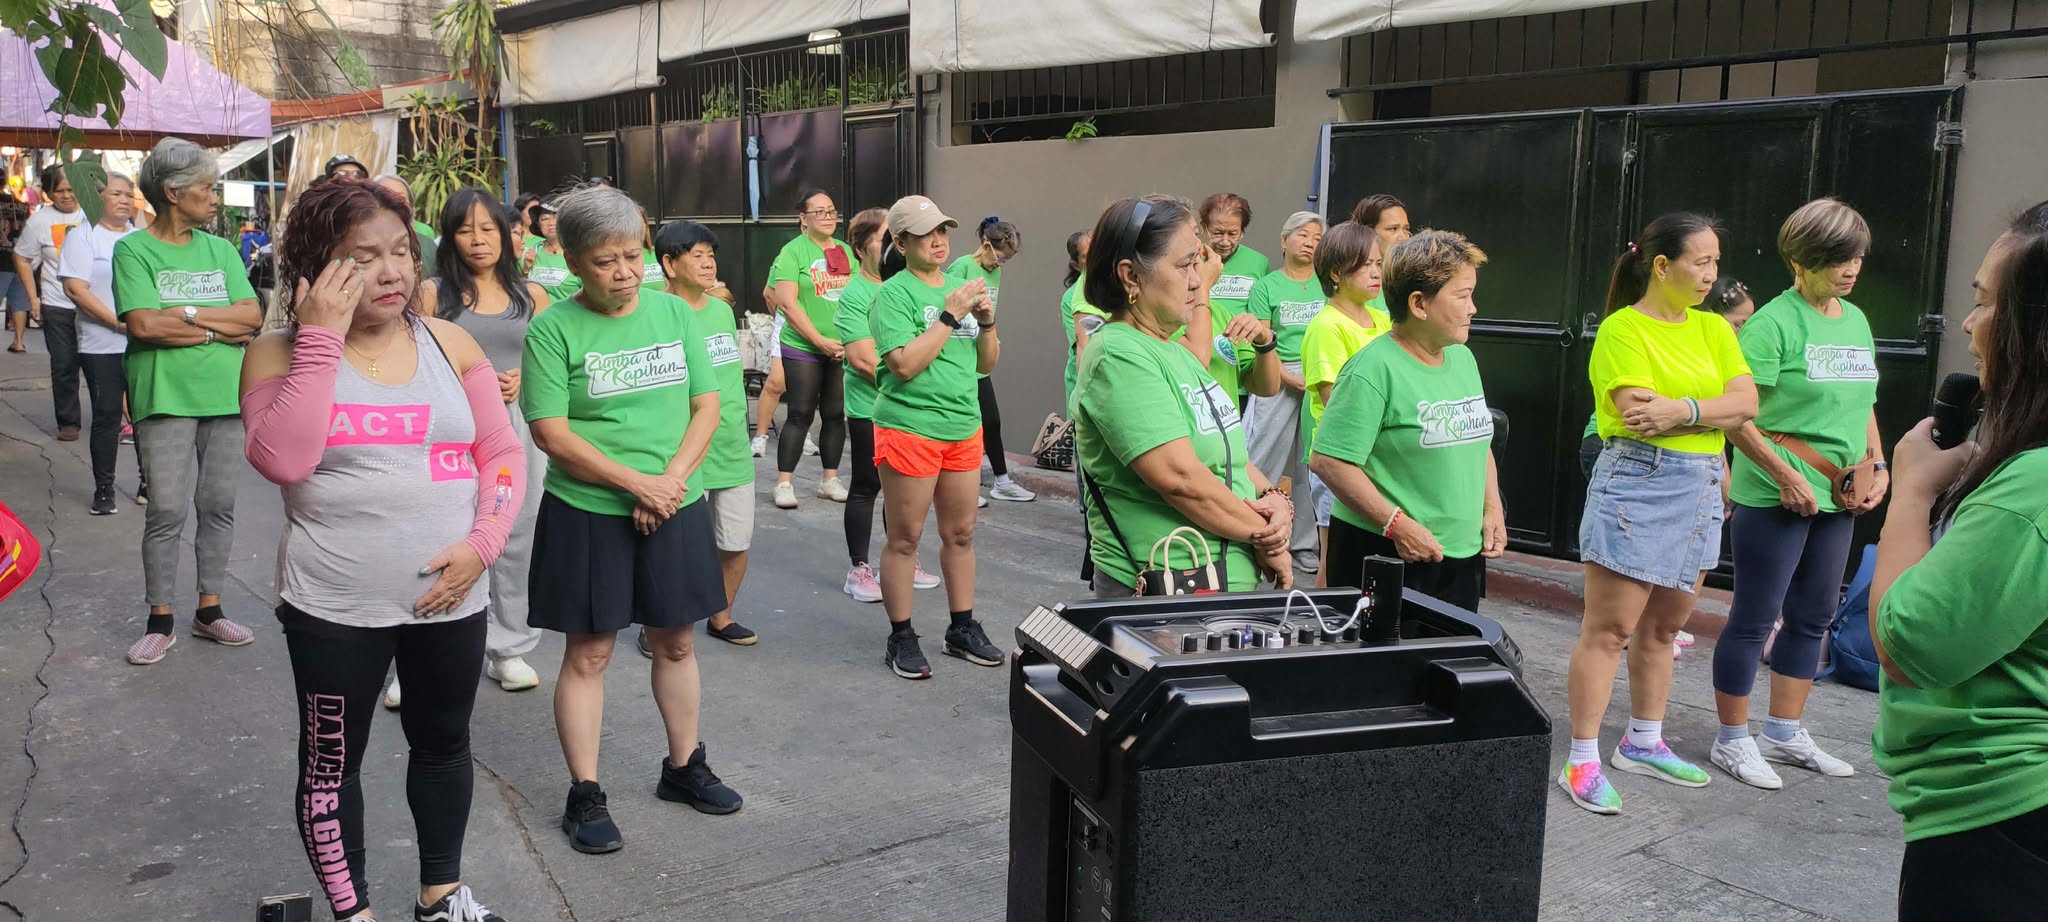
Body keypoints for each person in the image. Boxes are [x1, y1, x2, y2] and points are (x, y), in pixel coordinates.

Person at [241, 177, 521, 922]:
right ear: (315, 267)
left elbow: (501, 455)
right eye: (362, 257)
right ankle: (351, 910)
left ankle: (440, 895)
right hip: (335, 604)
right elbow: (284, 461)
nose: (393, 271)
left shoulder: (449, 341)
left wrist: (482, 544)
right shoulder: (278, 356)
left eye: (401, 251)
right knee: (333, 766)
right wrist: (322, 340)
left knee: (443, 744)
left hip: (453, 595)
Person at [519, 184, 742, 855]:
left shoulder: (674, 316)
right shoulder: (553, 328)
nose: (621, 272)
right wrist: (634, 484)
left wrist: (668, 484)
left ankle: (683, 767)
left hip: (672, 501)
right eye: (603, 260)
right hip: (588, 509)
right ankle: (584, 794)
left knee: (676, 640)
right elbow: (551, 432)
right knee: (589, 653)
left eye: (630, 256)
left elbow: (707, 406)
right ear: (573, 260)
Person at [1871, 201, 2048, 922]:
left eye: (1985, 304)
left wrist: (1911, 491)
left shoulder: (2031, 492)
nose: (1971, 327)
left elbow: (1909, 643)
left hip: (1999, 817)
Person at [1560, 213, 1757, 816]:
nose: (1710, 274)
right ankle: (1582, 758)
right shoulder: (1623, 329)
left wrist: (1687, 409)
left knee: (1667, 629)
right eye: (1700, 262)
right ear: (1662, 266)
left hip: (1699, 481)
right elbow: (1639, 411)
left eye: (1716, 262)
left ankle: (1644, 741)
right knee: (1611, 629)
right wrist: (1704, 411)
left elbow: (1745, 402)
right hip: (1639, 479)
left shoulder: (1713, 330)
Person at [1709, 200, 1886, 789]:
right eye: (1836, 258)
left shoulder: (1855, 319)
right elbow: (1737, 419)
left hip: (1840, 497)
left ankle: (1783, 731)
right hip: (1775, 498)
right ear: (1798, 260)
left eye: (1856, 256)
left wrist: (1877, 464)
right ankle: (1731, 740)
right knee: (1753, 619)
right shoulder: (1771, 325)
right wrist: (1785, 477)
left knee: (1813, 617)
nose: (1850, 268)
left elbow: (1864, 402)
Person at [378, 188, 552, 710]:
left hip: (516, 430)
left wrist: (525, 378)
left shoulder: (534, 296)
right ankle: (414, 656)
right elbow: (403, 363)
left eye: (489, 228)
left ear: (507, 233)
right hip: (450, 431)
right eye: (465, 229)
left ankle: (508, 648)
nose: (478, 240)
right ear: (448, 237)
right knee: (439, 534)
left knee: (516, 535)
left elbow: (551, 364)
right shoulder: (431, 294)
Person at [1073, 194, 1295, 598]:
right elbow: (1180, 479)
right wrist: (1266, 535)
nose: (1198, 280)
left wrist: (1275, 500)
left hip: (1217, 584)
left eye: (1197, 263)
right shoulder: (1118, 353)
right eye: (1184, 265)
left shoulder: (1176, 352)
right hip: (1164, 588)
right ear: (1130, 276)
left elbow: (1229, 459)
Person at [115, 137, 265, 666]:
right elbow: (142, 324)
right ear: (175, 193)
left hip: (226, 396)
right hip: (164, 396)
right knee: (167, 509)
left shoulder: (221, 249)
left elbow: (251, 317)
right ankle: (160, 618)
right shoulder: (132, 249)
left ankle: (208, 609)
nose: (214, 197)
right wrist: (213, 329)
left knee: (218, 505)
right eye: (207, 187)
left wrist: (187, 317)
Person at [1310, 231, 1503, 610]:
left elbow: (1476, 442)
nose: (1473, 308)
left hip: (1459, 557)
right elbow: (1329, 461)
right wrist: (1396, 524)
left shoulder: (1462, 358)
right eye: (1462, 296)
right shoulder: (1372, 369)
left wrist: (1492, 508)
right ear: (1419, 304)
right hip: (1387, 555)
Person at [868, 194, 1007, 680]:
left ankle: (961, 628)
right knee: (905, 538)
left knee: (961, 534)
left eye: (943, 232)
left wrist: (985, 321)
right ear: (901, 243)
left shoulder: (960, 289)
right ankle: (901, 635)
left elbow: (985, 365)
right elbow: (902, 365)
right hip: (909, 426)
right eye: (926, 234)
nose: (938, 241)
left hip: (962, 425)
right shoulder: (894, 294)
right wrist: (949, 316)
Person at [639, 218, 759, 652]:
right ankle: (659, 621)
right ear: (669, 264)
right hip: (680, 448)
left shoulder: (722, 310)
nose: (708, 263)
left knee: (736, 540)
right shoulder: (651, 312)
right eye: (697, 255)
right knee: (675, 547)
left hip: (730, 443)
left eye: (711, 255)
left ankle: (721, 615)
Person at [836, 208, 943, 603]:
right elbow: (865, 359)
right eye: (883, 238)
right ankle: (859, 568)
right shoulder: (855, 294)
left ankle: (901, 559)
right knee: (866, 485)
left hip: (909, 409)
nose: (889, 246)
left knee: (898, 493)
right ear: (862, 246)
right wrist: (908, 371)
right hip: (870, 406)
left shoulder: (907, 286)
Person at [1579, 275, 1757, 481]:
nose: (1744, 332)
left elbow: (1744, 408)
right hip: (1614, 446)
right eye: (1738, 324)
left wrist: (1684, 414)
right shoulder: (1625, 329)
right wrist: (1717, 418)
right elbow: (1646, 420)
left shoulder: (1719, 338)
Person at [1297, 222, 1390, 587]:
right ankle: (1324, 633)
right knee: (1334, 558)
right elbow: (1333, 400)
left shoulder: (1382, 319)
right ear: (1337, 272)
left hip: (1375, 456)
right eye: (1365, 264)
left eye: (1379, 264)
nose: (1376, 272)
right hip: (1341, 458)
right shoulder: (1327, 326)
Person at [1245, 211, 1327, 574]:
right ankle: (1251, 530)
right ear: (1284, 241)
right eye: (1303, 236)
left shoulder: (1328, 284)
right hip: (1278, 375)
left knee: (1309, 463)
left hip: (1320, 373)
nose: (1311, 243)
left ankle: (1304, 543)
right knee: (1262, 456)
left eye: (1317, 238)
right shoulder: (1267, 286)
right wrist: (1288, 376)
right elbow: (1262, 339)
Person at [57, 171, 143, 515]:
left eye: (129, 194)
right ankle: (104, 489)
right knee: (107, 415)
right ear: (98, 198)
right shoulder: (83, 237)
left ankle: (148, 482)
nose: (124, 200)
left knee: (146, 416)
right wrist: (118, 324)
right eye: (116, 193)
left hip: (143, 342)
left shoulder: (141, 239)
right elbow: (76, 290)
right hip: (101, 344)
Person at [767, 188, 856, 509]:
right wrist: (819, 341)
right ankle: (784, 483)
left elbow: (857, 297)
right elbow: (786, 303)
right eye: (819, 211)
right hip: (802, 346)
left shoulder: (845, 250)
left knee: (834, 414)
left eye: (831, 210)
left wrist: (850, 341)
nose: (828, 217)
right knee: (800, 413)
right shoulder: (792, 252)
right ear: (803, 218)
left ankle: (829, 479)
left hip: (841, 347)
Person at [947, 217, 1035, 504]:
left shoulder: (994, 272)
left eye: (1006, 261)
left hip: (980, 356)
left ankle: (1002, 482)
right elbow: (950, 312)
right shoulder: (962, 267)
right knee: (966, 423)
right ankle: (963, 488)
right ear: (985, 245)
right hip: (960, 357)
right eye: (999, 257)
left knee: (991, 421)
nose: (1000, 265)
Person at [1187, 193, 1280, 403]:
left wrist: (1263, 340)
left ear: (1242, 233)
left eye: (1233, 233)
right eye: (1217, 233)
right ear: (1204, 228)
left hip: (1236, 358)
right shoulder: (1191, 262)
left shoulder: (1258, 263)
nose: (1225, 241)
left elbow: (1268, 386)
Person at [17, 167, 87, 439]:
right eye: (60, 191)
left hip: (95, 303)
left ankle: (112, 417)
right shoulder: (39, 222)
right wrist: (33, 298)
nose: (67, 196)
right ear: (48, 194)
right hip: (57, 303)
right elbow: (22, 258)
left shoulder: (94, 214)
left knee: (101, 364)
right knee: (64, 363)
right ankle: (68, 421)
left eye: (71, 189)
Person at [1060, 230, 1099, 400]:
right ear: (1076, 265)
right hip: (1086, 379)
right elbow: (1083, 345)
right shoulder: (1072, 297)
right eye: (1087, 256)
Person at [373, 175, 437, 277]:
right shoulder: (360, 246)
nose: (394, 204)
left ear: (412, 207)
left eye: (400, 199)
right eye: (385, 198)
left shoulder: (427, 246)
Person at [525, 196, 579, 304]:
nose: (551, 223)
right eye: (545, 219)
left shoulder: (577, 253)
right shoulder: (530, 251)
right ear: (538, 224)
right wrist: (525, 269)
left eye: (556, 217)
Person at [1, 185, 29, 353]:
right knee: (19, 304)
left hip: (2, 260)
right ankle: (18, 342)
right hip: (20, 260)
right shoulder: (22, 205)